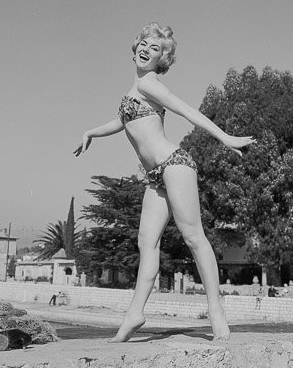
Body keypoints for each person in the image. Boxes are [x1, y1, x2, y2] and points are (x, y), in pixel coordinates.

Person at [74, 22, 255, 342]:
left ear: (162, 59)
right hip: (156, 176)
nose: (146, 49)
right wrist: (91, 132)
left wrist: (225, 138)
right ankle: (135, 313)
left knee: (194, 237)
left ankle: (216, 311)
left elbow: (185, 110)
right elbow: (121, 121)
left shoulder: (151, 85)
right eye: (143, 43)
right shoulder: (135, 89)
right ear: (135, 48)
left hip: (175, 165)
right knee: (147, 242)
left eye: (155, 48)